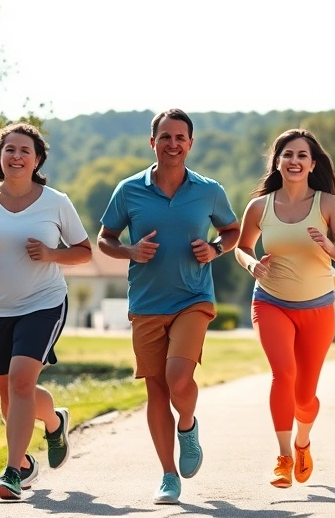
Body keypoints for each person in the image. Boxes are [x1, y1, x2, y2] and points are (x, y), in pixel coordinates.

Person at [97, 108, 240, 505]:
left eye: (180, 137)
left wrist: (214, 249)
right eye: (165, 137)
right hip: (145, 303)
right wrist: (128, 250)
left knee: (178, 378)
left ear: (190, 144)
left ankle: (188, 426)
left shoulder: (209, 190)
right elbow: (104, 237)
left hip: (193, 298)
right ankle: (168, 474)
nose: (173, 144)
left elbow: (231, 230)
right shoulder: (129, 190)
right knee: (157, 390)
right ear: (153, 142)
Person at [0, 123, 91, 500]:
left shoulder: (55, 201)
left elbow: (84, 250)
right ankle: (53, 421)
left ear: (37, 158)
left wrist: (51, 255)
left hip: (43, 303)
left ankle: (14, 471)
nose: (16, 156)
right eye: (9, 149)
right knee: (9, 394)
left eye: (24, 150)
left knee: (21, 381)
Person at [234, 128, 335, 488]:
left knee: (305, 395)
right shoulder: (260, 206)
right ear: (278, 162)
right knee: (283, 375)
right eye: (287, 155)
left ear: (312, 163)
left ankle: (303, 443)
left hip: (318, 306)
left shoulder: (329, 204)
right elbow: (241, 248)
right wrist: (252, 264)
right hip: (270, 301)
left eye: (302, 155)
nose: (295, 161)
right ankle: (284, 456)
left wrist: (328, 247)